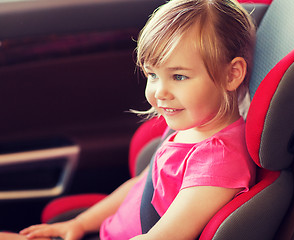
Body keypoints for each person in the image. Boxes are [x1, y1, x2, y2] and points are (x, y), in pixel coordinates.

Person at [0, 0, 256, 239]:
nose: (159, 92)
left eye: (179, 77)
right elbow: (141, 184)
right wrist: (80, 223)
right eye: (152, 75)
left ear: (232, 75)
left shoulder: (219, 161)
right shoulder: (193, 128)